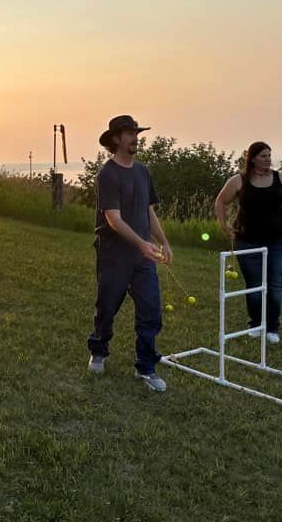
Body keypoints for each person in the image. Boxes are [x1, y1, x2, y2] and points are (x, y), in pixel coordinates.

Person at [87, 115, 173, 392]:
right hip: (114, 254)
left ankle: (145, 366)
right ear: (116, 139)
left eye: (137, 132)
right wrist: (141, 244)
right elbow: (113, 219)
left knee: (151, 310)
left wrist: (163, 242)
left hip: (142, 256)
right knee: (107, 307)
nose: (135, 137)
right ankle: (98, 350)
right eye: (129, 133)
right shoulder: (107, 174)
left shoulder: (142, 171)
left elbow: (148, 212)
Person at [214, 141, 282, 344]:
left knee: (275, 286)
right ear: (252, 158)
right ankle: (255, 324)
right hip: (247, 239)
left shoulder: (280, 179)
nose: (268, 159)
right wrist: (223, 224)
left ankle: (272, 327)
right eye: (263, 155)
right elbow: (221, 201)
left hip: (278, 240)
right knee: (254, 286)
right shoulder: (239, 180)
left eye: (269, 155)